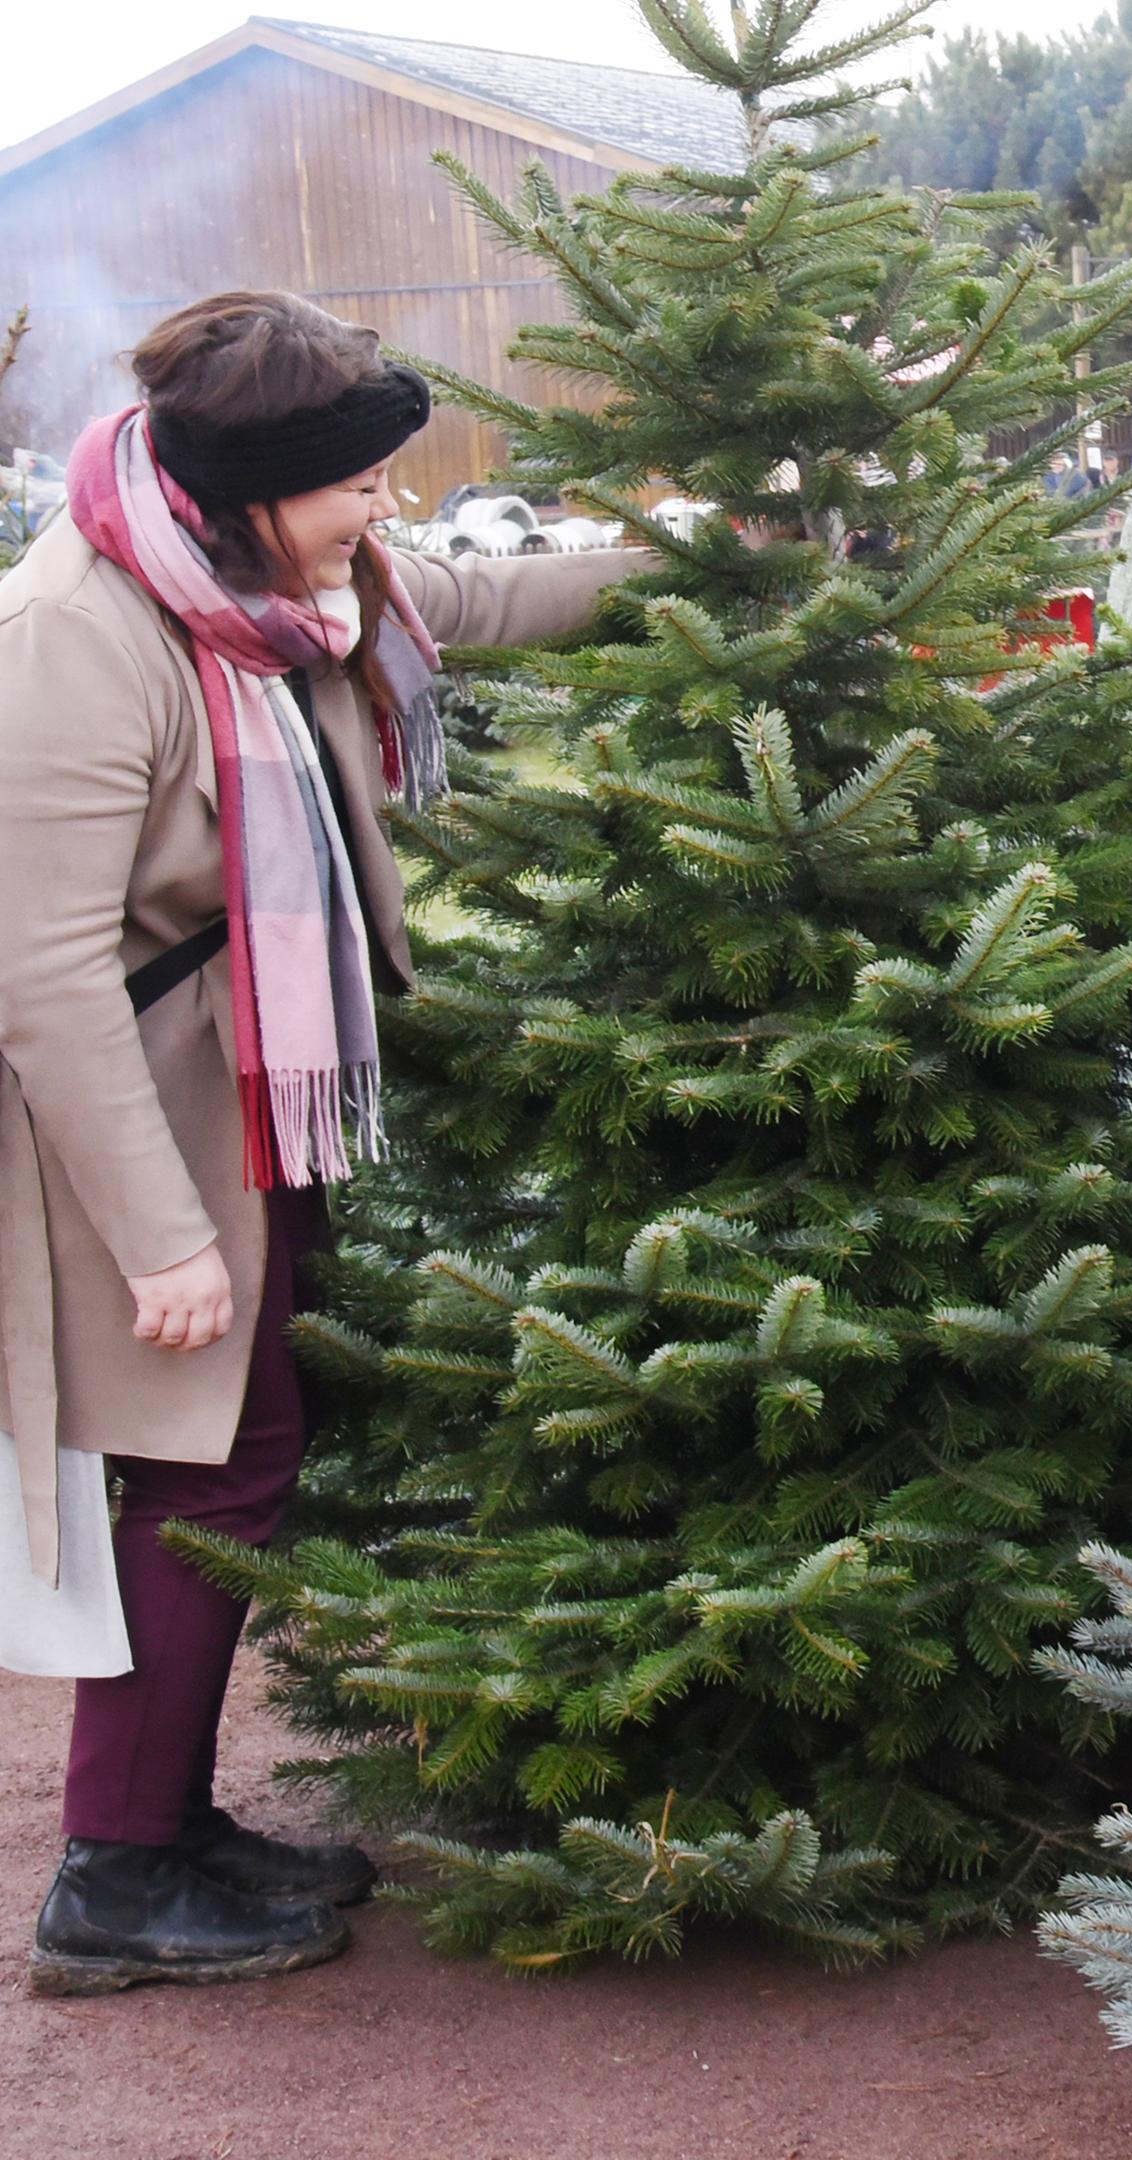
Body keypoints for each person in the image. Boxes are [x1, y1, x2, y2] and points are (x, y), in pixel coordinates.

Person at [0, 292, 640, 1992]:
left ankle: (166, 1829)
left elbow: (490, 595)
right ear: (253, 487)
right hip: (134, 1107)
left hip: (248, 1083)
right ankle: (114, 1877)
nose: (386, 512)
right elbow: (42, 969)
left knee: (245, 1449)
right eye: (355, 484)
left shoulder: (281, 587)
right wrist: (159, 1238)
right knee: (212, 1461)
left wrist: (734, 549)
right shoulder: (77, 629)